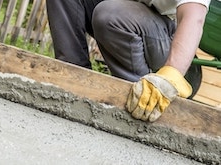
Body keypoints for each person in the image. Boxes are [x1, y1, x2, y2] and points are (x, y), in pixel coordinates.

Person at [46, 0, 211, 122]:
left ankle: (141, 105)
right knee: (111, 13)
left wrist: (171, 74)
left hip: (165, 39)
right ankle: (75, 82)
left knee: (110, 15)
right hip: (127, 15)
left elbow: (193, 18)